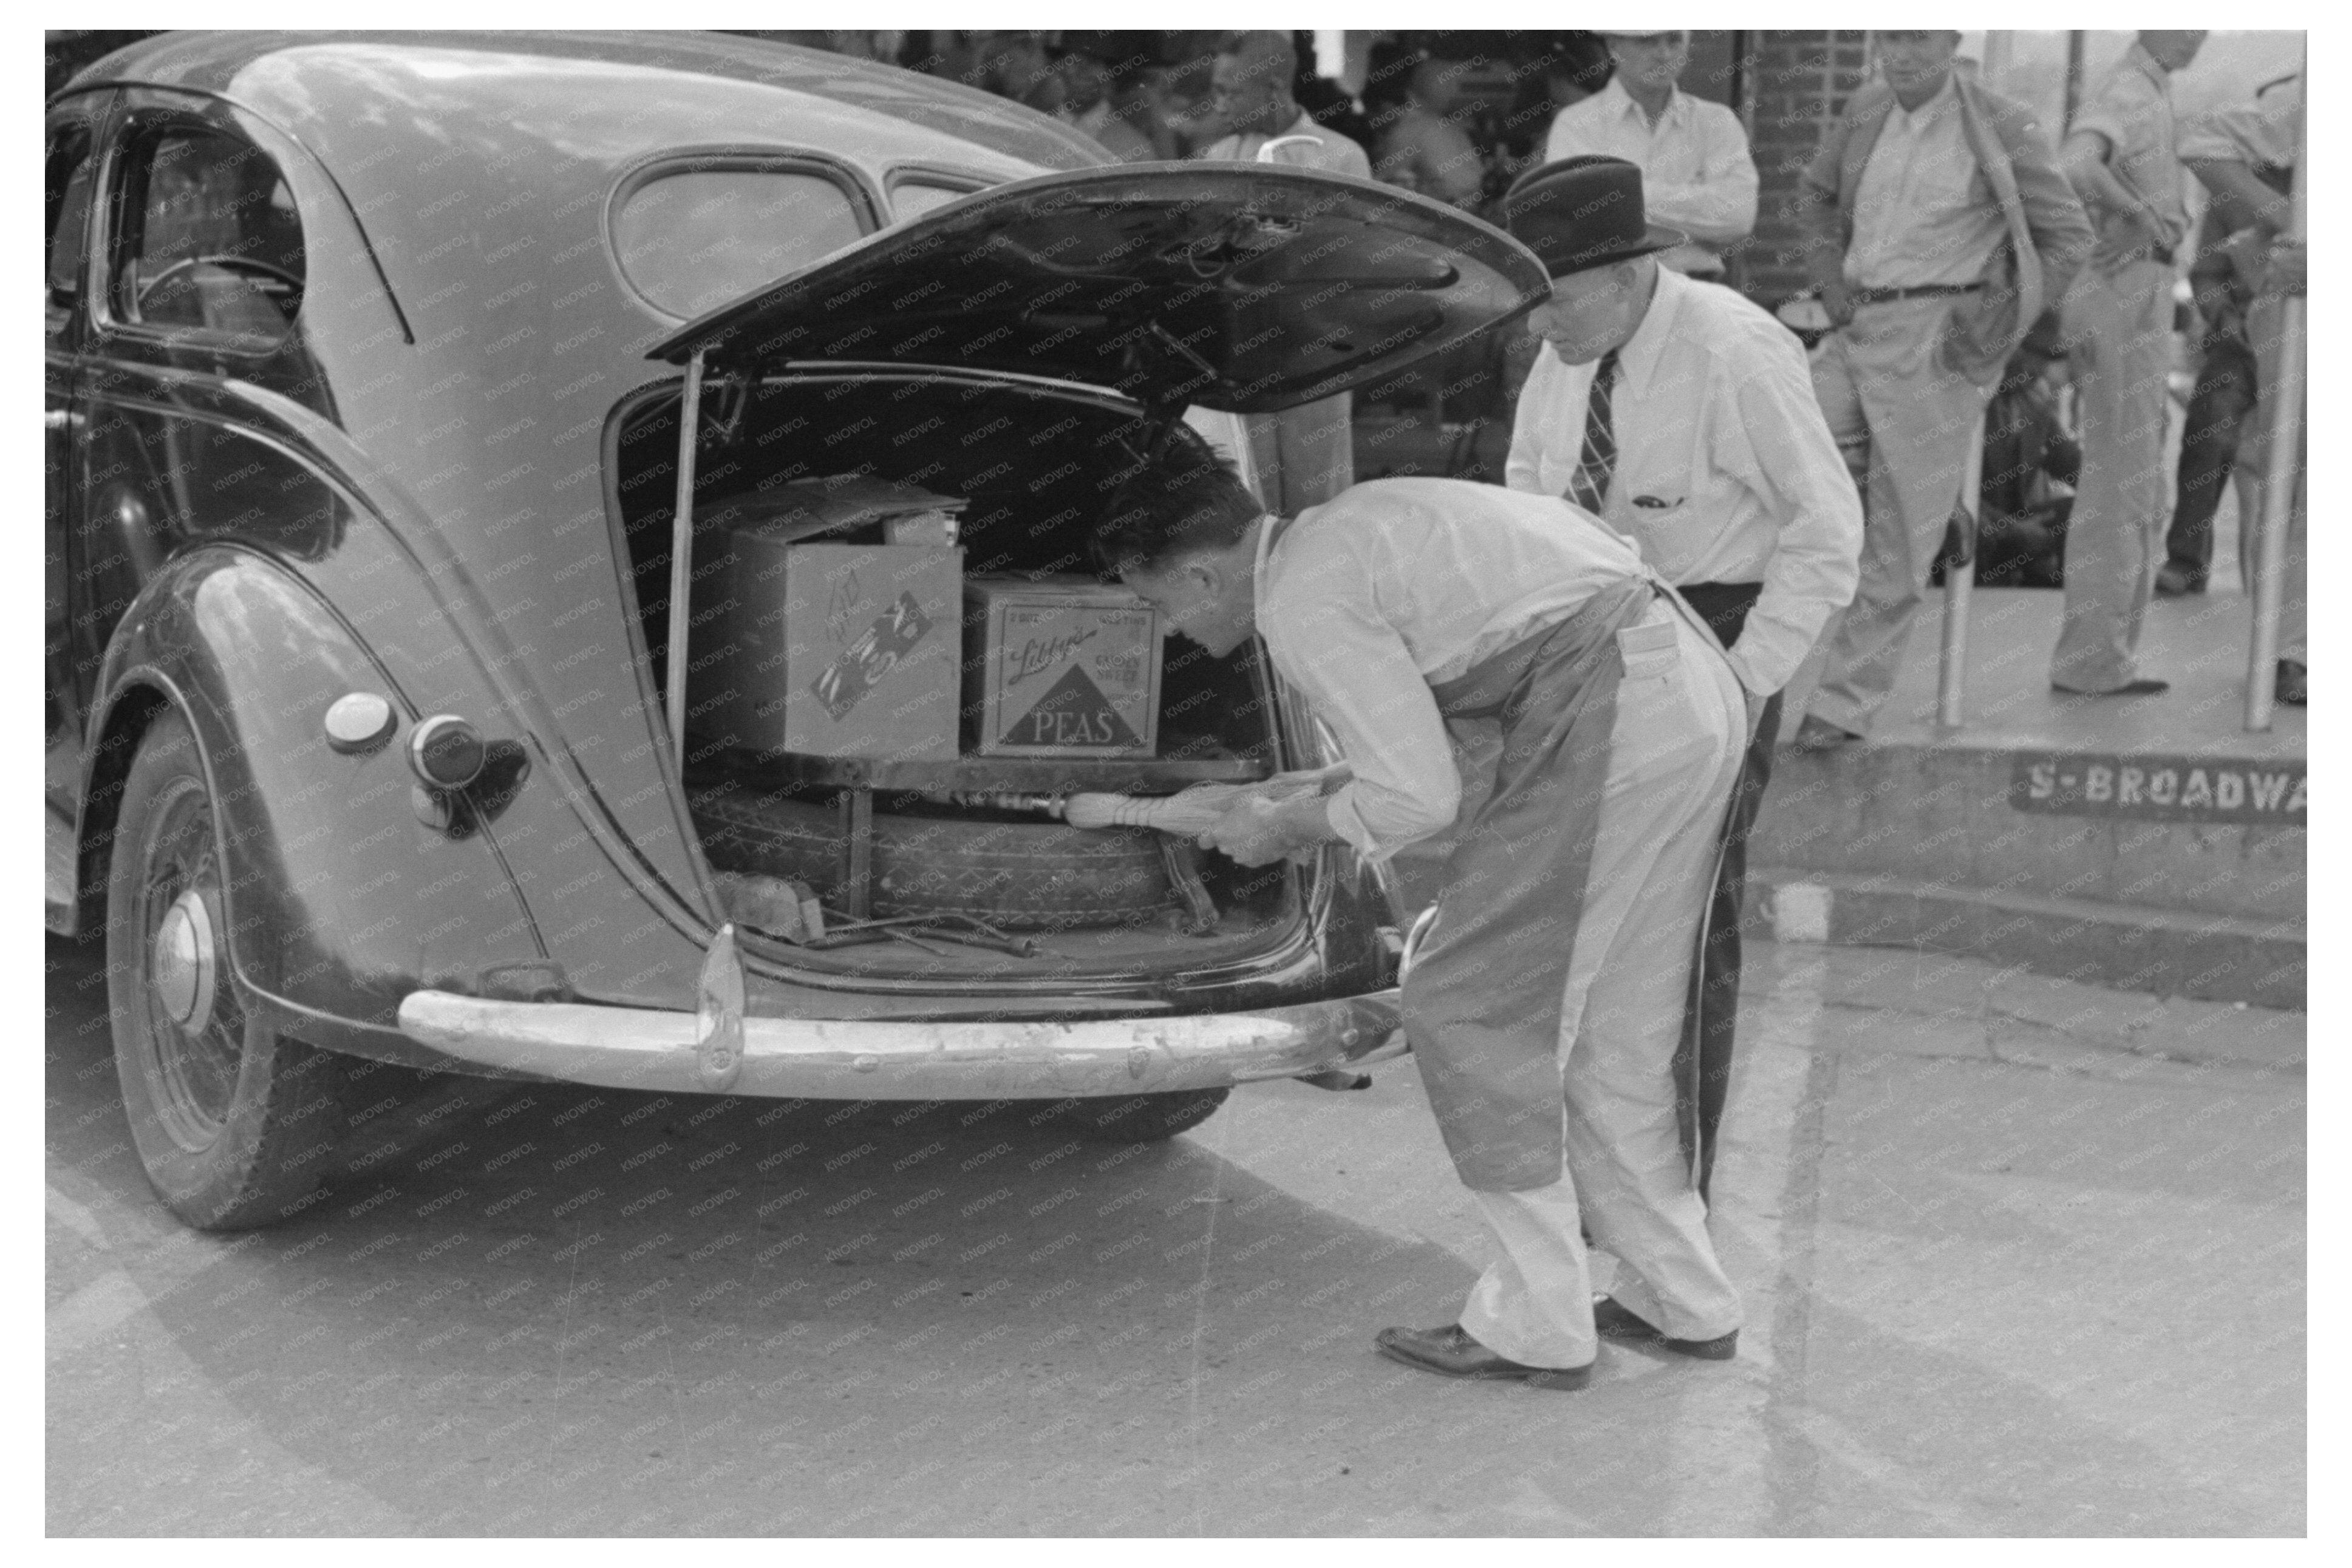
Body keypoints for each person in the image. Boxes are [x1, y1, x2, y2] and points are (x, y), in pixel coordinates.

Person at [1096, 434, 1748, 1389]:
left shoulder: (1300, 599)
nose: (1169, 632)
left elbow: (1417, 799)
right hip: (1679, 691)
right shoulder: (1349, 529)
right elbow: (1438, 721)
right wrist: (1304, 790)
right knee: (1616, 1027)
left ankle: (1537, 1323)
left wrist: (1287, 830)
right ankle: (1681, 1297)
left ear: (1198, 573)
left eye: (1157, 605)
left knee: (1472, 1006)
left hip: (1610, 716)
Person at [1501, 155, 1860, 1199]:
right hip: (1596, 634)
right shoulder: (1571, 345)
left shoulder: (1736, 351)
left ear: (1623, 275)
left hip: (1714, 630)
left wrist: (1744, 684)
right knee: (1583, 928)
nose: (1536, 328)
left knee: (1683, 943)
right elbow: (1530, 488)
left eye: (1553, 300)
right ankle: (1588, 1202)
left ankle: (1670, 1218)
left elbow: (1828, 532)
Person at [1789, 30, 2094, 750]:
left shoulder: (2001, 121)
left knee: (1896, 542)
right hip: (1857, 322)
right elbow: (1815, 194)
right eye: (1890, 36)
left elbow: (2069, 236)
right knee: (1781, 460)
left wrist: (2001, 326)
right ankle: (1941, 511)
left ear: (1953, 39)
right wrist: (1830, 282)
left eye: (1919, 36)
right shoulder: (1866, 109)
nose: (1902, 53)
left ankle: (1841, 704)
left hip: (1939, 332)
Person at [2047, 30, 2205, 697]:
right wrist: (2139, 213)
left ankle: (2106, 653)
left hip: (2142, 286)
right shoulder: (2129, 91)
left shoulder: (2150, 90)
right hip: (2122, 285)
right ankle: (2092, 661)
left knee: (2132, 476)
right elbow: (2079, 163)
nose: (2200, 33)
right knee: (2118, 478)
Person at [1195, 30, 1371, 517]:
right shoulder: (1218, 157)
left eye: (1231, 91)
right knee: (1243, 494)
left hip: (1315, 349)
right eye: (1216, 88)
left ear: (1272, 88)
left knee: (1316, 500)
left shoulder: (1340, 157)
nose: (1219, 103)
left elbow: (1357, 259)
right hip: (1235, 351)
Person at [2181, 74, 2305, 706]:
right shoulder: (2295, 107)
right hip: (2256, 329)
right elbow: (2205, 267)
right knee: (2222, 448)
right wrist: (2290, 221)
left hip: (2275, 314)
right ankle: (2284, 645)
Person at [1542, 30, 1757, 280]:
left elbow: (1739, 217)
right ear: (1613, 45)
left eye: (1674, 40)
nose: (1663, 54)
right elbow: (1575, 216)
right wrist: (1697, 202)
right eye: (1647, 41)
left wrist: (1620, 195)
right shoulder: (1576, 124)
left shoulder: (1716, 121)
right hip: (1611, 293)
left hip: (1699, 291)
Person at [2155, 200, 2276, 598]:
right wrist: (2224, 319)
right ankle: (2186, 558)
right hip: (2239, 341)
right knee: (2209, 425)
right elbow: (2205, 274)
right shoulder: (2230, 188)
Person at [1371, 53, 1487, 210]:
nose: (1374, 124)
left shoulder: (1406, 131)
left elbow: (1380, 187)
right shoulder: (1445, 123)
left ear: (1386, 106)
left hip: (1452, 210)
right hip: (1476, 205)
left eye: (1374, 116)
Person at [1052, 36, 1156, 165]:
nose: (1082, 71)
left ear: (1111, 74)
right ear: (1059, 67)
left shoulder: (1136, 148)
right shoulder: (1035, 124)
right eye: (1074, 61)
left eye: (1093, 63)